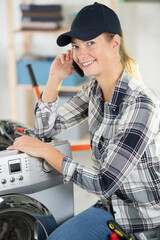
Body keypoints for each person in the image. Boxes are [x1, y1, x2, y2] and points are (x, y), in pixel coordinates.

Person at [7, 2, 160, 240]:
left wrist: (49, 153)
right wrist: (55, 78)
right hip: (111, 208)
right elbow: (44, 128)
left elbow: (105, 182)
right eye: (76, 46)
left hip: (143, 223)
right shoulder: (94, 90)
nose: (81, 54)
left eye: (91, 43)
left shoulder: (140, 103)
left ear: (115, 43)